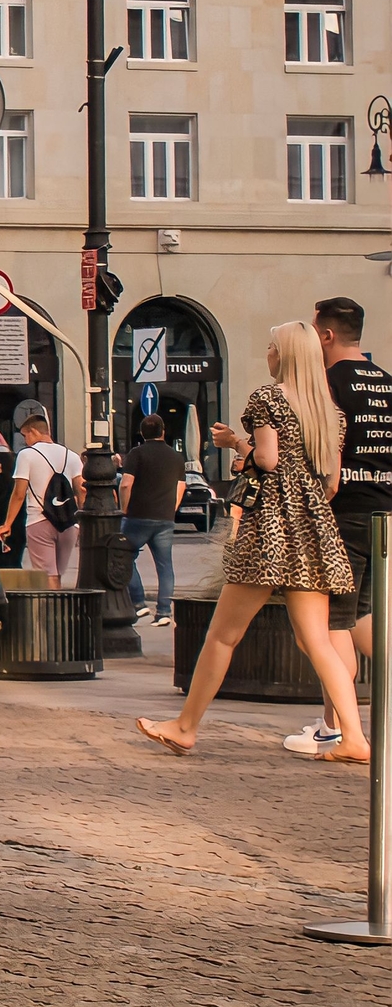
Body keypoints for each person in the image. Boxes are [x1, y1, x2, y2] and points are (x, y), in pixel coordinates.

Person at [137, 322, 362, 762]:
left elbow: (266, 459)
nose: (268, 353)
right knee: (318, 640)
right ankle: (353, 736)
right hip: (314, 528)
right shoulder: (329, 412)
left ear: (285, 355)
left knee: (223, 635)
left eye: (271, 347)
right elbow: (332, 482)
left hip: (271, 528)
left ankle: (185, 727)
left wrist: (233, 442)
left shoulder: (268, 398)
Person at [298, 297, 391, 756]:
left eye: (315, 332)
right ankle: (337, 727)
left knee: (333, 623)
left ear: (327, 335)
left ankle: (336, 729)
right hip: (385, 516)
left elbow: (322, 456)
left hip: (343, 514)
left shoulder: (326, 386)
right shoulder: (387, 384)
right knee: (365, 618)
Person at [0, 405, 83, 589]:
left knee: (46, 577)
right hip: (69, 524)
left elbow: (19, 494)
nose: (25, 441)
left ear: (34, 431)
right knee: (58, 576)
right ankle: (59, 614)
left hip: (39, 521)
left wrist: (8, 524)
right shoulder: (73, 456)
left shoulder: (27, 455)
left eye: (25, 436)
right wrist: (82, 523)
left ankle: (50, 616)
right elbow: (81, 490)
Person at [118, 413, 185, 626]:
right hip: (164, 518)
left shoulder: (136, 454)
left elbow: (126, 484)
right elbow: (181, 486)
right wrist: (171, 508)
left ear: (142, 433)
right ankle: (164, 612)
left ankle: (139, 603)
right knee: (165, 566)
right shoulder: (176, 457)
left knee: (124, 557)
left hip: (138, 516)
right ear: (163, 431)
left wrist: (124, 508)